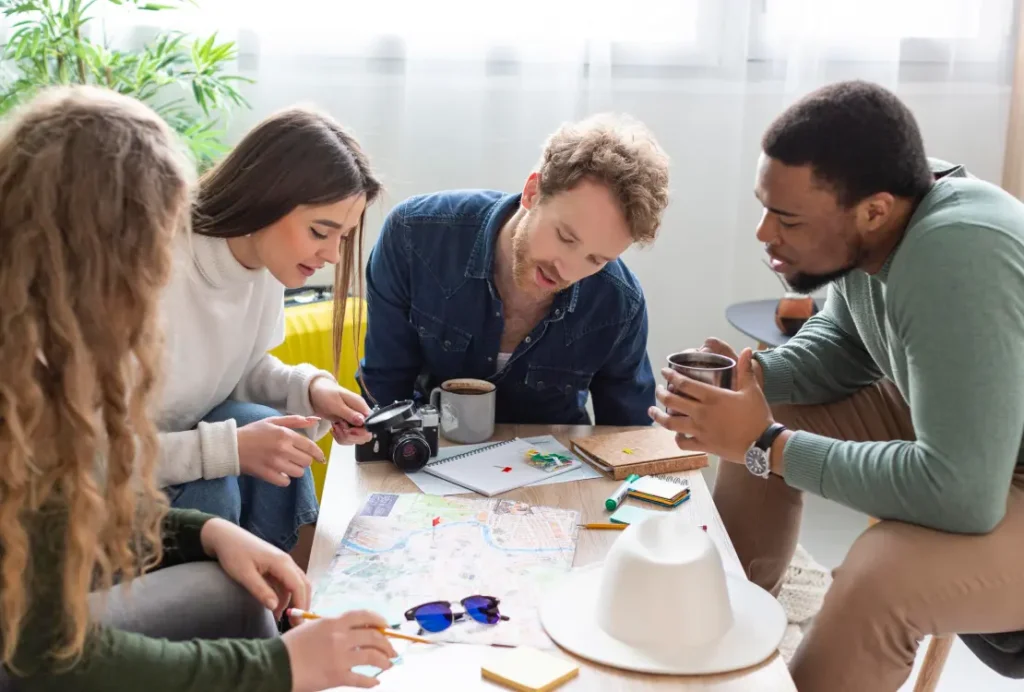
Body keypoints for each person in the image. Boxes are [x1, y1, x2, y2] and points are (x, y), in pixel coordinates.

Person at [0, 86, 396, 692]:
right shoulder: (36, 379)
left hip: (73, 569)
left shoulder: (49, 355)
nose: (163, 269)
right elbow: (48, 651)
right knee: (232, 562)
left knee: (234, 576)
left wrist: (202, 531)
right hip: (34, 641)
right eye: (155, 248)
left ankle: (290, 601)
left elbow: (68, 504)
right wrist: (277, 668)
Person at [650, 80, 1024, 691]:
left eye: (788, 219)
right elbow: (844, 349)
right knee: (762, 404)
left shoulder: (957, 254)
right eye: (764, 206)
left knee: (881, 577)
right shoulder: (891, 206)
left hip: (992, 476)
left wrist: (767, 444)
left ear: (874, 210)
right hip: (984, 444)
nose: (764, 233)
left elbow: (963, 494)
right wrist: (750, 382)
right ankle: (715, 647)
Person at [155, 106, 379, 566]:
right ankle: (241, 623)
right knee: (220, 474)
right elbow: (90, 459)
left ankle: (298, 599)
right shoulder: (158, 273)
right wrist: (228, 450)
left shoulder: (265, 266)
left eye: (344, 237)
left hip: (179, 454)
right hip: (117, 487)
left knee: (266, 425)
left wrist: (310, 390)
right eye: (321, 231)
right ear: (266, 198)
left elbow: (241, 367)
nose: (334, 256)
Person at [360, 114, 670, 425]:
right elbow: (384, 393)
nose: (567, 270)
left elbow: (629, 438)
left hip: (557, 465)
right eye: (565, 237)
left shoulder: (619, 302)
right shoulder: (414, 237)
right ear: (532, 192)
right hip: (431, 451)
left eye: (596, 259)